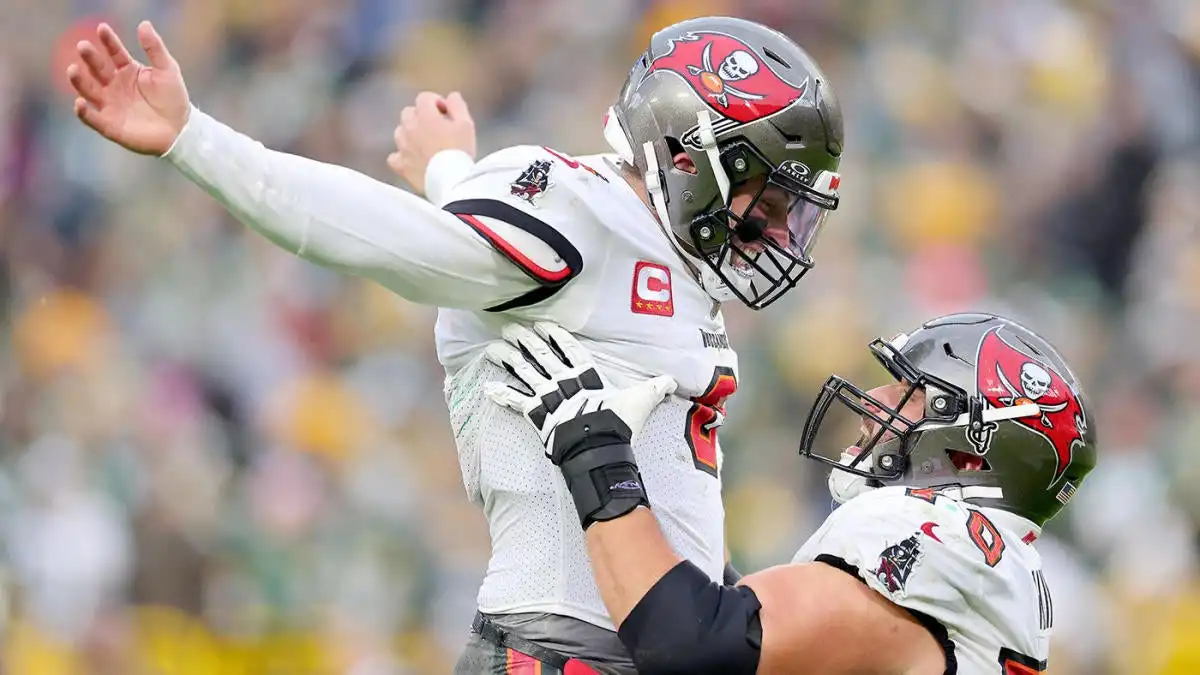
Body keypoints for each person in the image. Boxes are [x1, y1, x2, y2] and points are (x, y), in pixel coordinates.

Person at [64, 16, 843, 674]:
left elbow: (518, 273)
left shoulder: (655, 250)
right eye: (765, 196)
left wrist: (447, 170)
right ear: (681, 152)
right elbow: (395, 242)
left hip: (630, 642)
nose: (775, 229)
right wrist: (194, 140)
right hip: (561, 649)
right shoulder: (582, 206)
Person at [483, 314, 1096, 674]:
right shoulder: (992, 567)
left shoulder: (942, 540)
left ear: (969, 453)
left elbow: (696, 646)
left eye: (911, 394)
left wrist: (593, 448)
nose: (876, 402)